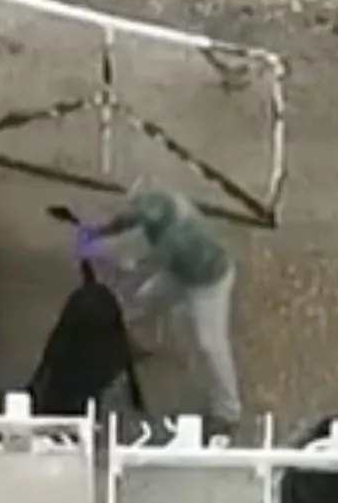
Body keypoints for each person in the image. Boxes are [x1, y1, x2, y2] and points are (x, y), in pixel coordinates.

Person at [82, 180, 242, 433]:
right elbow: (129, 218)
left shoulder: (178, 235)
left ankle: (229, 410)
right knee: (140, 303)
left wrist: (103, 253)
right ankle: (131, 342)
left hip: (208, 281)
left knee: (210, 343)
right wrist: (101, 231)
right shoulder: (159, 202)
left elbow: (142, 266)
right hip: (180, 272)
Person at [28, 236, 147, 422]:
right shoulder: (104, 306)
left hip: (67, 387)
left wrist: (35, 382)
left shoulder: (67, 339)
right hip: (92, 374)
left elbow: (53, 348)